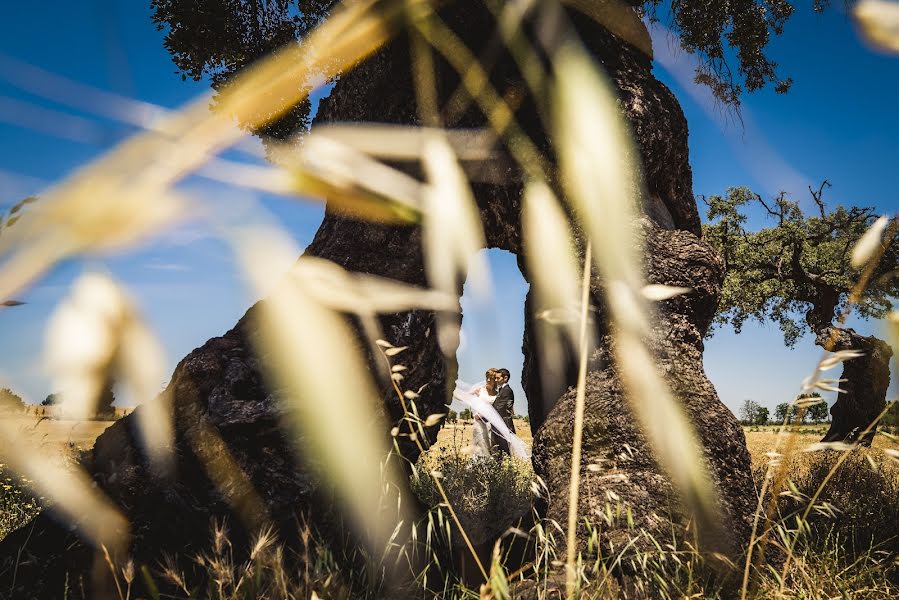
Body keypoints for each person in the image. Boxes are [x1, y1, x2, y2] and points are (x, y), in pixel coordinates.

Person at [470, 368, 498, 457]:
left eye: (491, 378)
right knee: (481, 444)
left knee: (491, 445)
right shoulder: (479, 390)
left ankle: (490, 466)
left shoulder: (498, 394)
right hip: (479, 423)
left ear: (495, 380)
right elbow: (469, 399)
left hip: (491, 423)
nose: (488, 380)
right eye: (487, 378)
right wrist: (475, 413)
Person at [492, 368, 516, 456]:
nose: (495, 380)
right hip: (499, 424)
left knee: (505, 450)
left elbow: (499, 407)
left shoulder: (507, 391)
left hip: (505, 424)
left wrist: (485, 413)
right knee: (499, 450)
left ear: (505, 378)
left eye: (498, 378)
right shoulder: (502, 390)